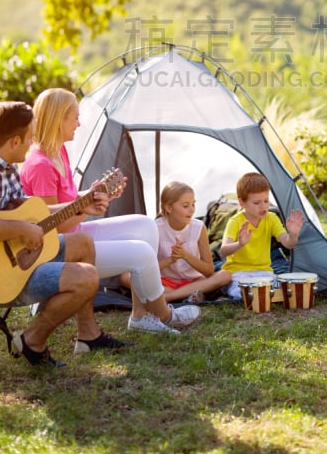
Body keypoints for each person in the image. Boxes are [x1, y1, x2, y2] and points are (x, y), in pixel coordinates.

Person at [20, 88, 200, 342]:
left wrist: (93, 193)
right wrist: (86, 207)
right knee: (142, 254)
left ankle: (139, 316)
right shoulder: (40, 166)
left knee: (146, 225)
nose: (79, 123)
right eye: (74, 117)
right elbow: (52, 228)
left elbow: (67, 202)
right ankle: (164, 315)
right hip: (60, 250)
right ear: (59, 118)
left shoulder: (58, 152)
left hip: (76, 232)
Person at [0, 101, 103, 368]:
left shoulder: (7, 167)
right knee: (87, 277)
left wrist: (79, 205)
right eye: (30, 137)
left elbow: (31, 213)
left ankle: (89, 336)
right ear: (15, 141)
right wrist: (21, 229)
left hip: (17, 258)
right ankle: (33, 340)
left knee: (83, 243)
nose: (33, 142)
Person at [220, 172, 305, 300]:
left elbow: (288, 243)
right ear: (242, 203)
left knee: (283, 290)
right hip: (238, 272)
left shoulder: (271, 218)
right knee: (243, 294)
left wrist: (293, 235)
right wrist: (240, 244)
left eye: (266, 201)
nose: (263, 206)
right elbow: (224, 250)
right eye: (256, 202)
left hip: (264, 272)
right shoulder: (235, 221)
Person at [156, 181, 232, 304]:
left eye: (193, 204)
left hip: (193, 281)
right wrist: (171, 259)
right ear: (169, 208)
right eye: (186, 206)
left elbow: (209, 271)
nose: (192, 210)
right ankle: (186, 295)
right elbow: (150, 269)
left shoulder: (199, 227)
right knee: (127, 277)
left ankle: (168, 297)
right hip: (164, 281)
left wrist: (185, 255)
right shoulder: (156, 228)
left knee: (225, 275)